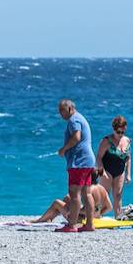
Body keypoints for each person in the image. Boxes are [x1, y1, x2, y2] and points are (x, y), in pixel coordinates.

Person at [55, 99, 96, 233]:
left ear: (69, 109)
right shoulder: (80, 117)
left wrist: (63, 149)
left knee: (74, 193)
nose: (60, 114)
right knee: (86, 193)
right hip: (88, 161)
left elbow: (76, 137)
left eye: (62, 111)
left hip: (79, 162)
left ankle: (71, 225)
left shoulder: (74, 120)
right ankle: (89, 224)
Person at [96, 115, 132, 215]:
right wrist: (101, 171)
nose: (120, 134)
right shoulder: (106, 141)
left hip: (120, 171)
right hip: (107, 171)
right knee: (103, 196)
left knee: (118, 196)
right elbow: (98, 157)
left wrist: (128, 174)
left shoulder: (127, 141)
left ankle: (118, 217)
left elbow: (128, 158)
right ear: (113, 129)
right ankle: (96, 216)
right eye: (118, 132)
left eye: (122, 132)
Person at [33, 183, 111, 223]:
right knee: (67, 198)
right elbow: (109, 207)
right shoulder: (102, 188)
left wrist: (74, 211)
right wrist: (99, 214)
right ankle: (49, 219)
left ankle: (40, 221)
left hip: (83, 220)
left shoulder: (88, 190)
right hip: (96, 217)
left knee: (56, 202)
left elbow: (89, 210)